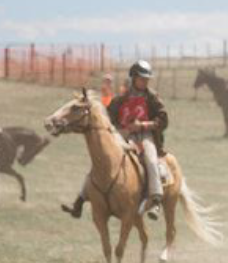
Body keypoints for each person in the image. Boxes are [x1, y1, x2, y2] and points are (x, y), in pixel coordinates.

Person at [62, 60, 169, 221]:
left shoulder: (152, 97)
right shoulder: (121, 98)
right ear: (133, 78)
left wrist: (144, 125)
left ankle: (155, 200)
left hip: (144, 135)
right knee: (102, 161)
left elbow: (163, 119)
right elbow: (109, 117)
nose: (145, 81)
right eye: (142, 78)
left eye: (147, 79)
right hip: (123, 135)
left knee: (151, 160)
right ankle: (79, 201)